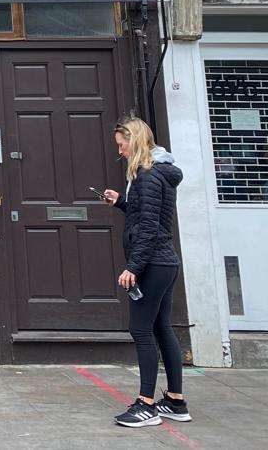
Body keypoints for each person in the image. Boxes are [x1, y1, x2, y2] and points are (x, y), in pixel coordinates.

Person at [99, 117, 190, 428]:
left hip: (152, 263)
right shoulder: (159, 173)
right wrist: (122, 202)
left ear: (134, 139)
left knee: (141, 330)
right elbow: (148, 214)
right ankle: (175, 401)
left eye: (122, 144)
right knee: (162, 328)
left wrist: (133, 268)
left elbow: (149, 228)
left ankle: (146, 405)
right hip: (165, 262)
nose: (120, 150)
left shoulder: (147, 175)